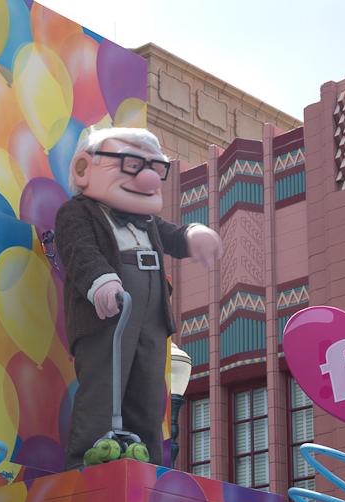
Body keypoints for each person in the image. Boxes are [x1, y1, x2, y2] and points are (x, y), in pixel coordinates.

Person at [55, 127, 222, 470]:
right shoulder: (77, 212)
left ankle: (146, 463)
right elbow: (79, 250)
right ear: (84, 168)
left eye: (155, 167)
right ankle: (88, 459)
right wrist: (100, 281)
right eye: (132, 165)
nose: (149, 178)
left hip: (153, 312)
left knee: (148, 390)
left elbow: (173, 235)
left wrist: (193, 235)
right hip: (108, 311)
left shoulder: (147, 221)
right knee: (104, 383)